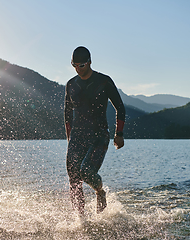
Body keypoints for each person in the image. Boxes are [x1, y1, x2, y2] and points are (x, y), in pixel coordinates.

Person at [64, 46, 125, 215]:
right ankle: (81, 220)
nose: (77, 69)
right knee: (74, 179)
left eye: (81, 65)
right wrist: (70, 141)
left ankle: (100, 191)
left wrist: (118, 134)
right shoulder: (71, 85)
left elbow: (120, 107)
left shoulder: (104, 81)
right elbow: (67, 115)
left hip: (99, 136)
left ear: (90, 62)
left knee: (86, 171)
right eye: (74, 65)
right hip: (77, 137)